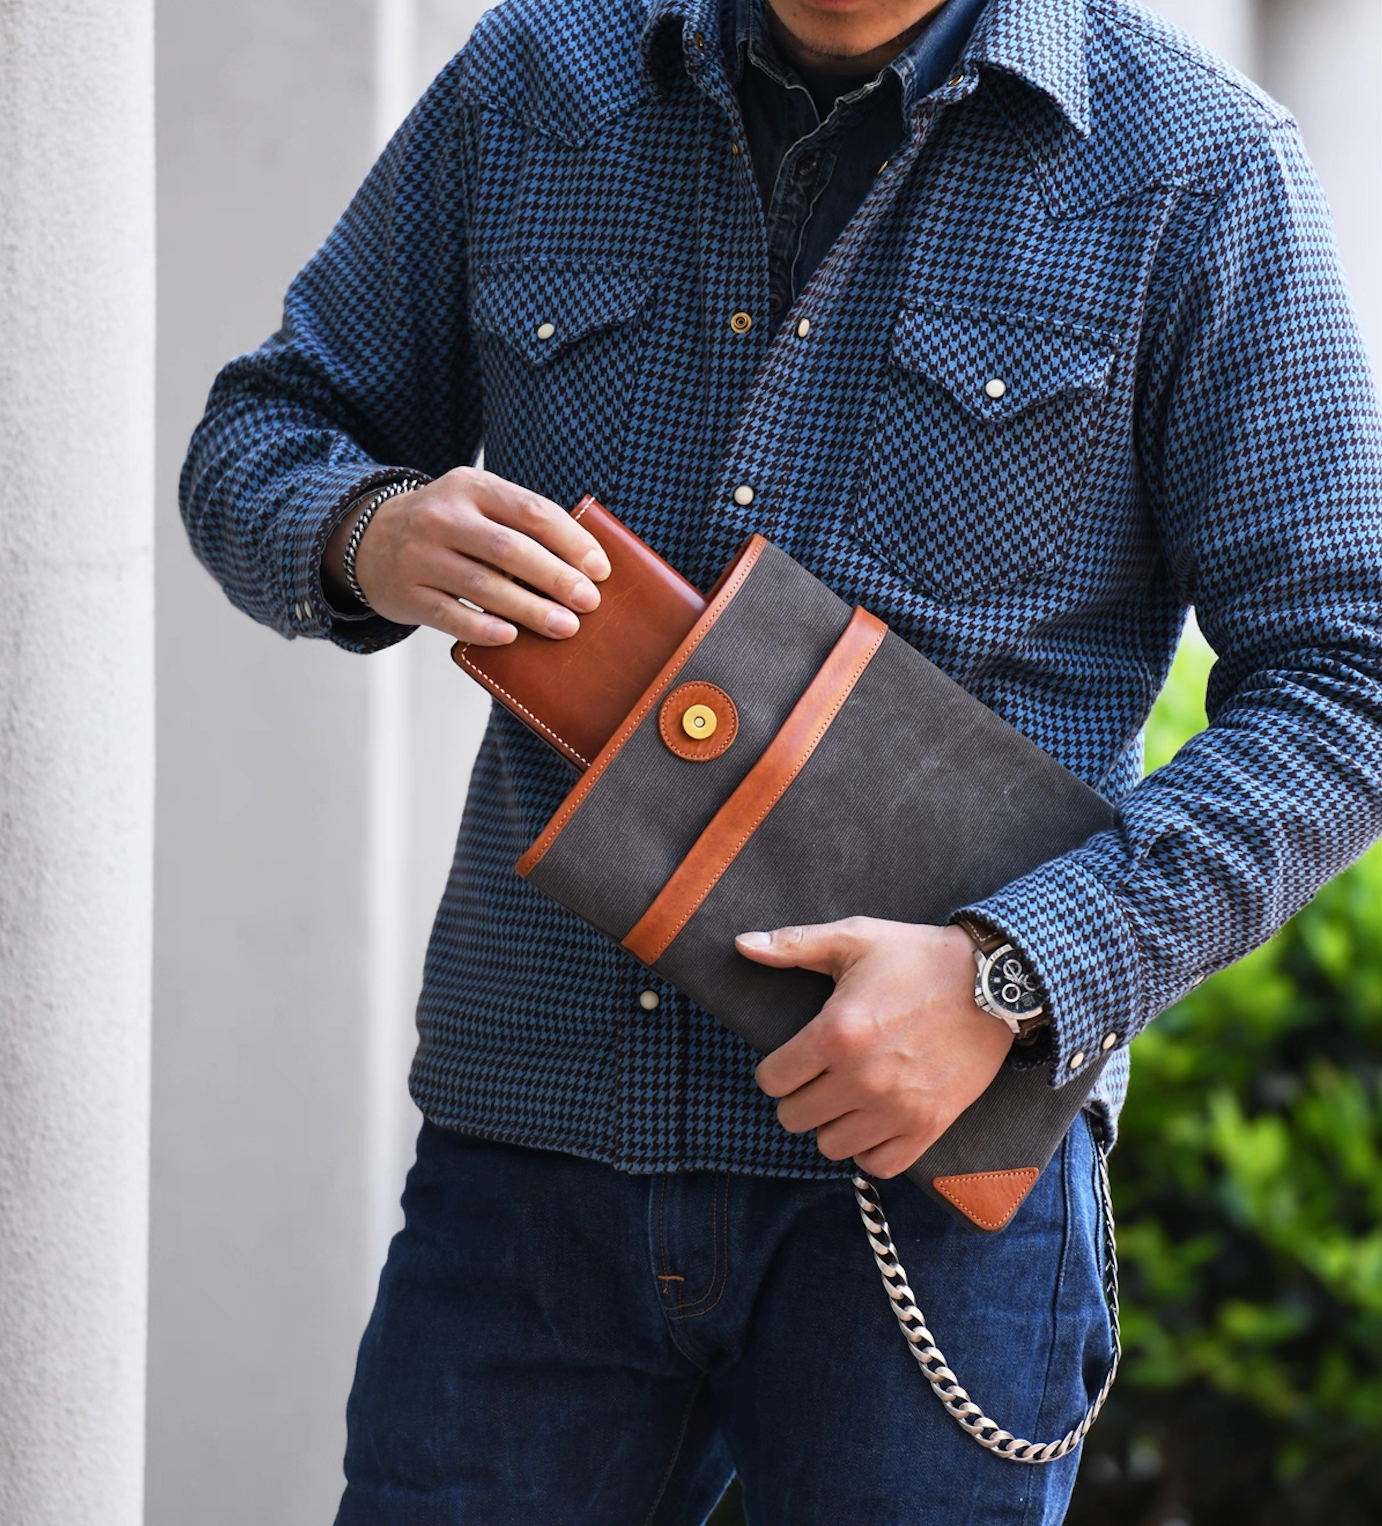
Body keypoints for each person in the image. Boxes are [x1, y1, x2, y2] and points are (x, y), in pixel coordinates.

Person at [179, 0, 1382, 1519]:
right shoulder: (533, 80)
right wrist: (369, 533)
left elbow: (1348, 678)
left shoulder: (1191, 170)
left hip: (928, 1200)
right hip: (530, 1160)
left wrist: (1014, 975)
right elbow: (264, 431)